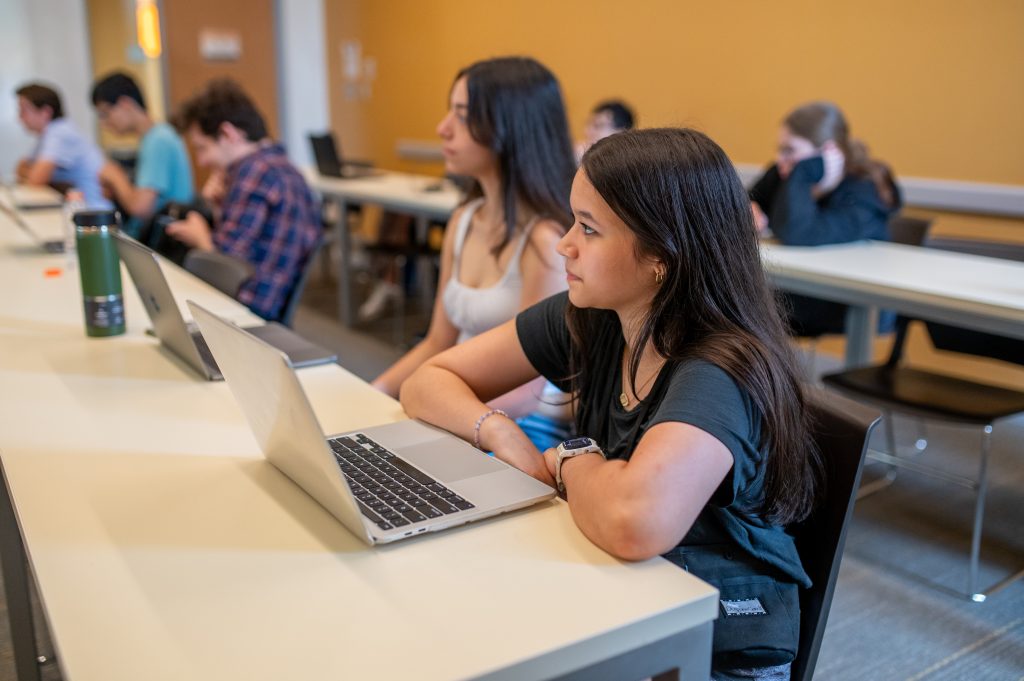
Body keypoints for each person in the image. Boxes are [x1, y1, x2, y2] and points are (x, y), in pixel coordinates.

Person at [401, 128, 822, 680]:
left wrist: (572, 458)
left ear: (660, 258)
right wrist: (499, 430)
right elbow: (428, 380)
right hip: (626, 599)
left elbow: (633, 521)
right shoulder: (595, 315)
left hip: (708, 647)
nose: (564, 245)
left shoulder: (718, 370)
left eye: (589, 230)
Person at [372, 56, 577, 450]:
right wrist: (373, 393)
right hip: (462, 406)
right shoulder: (464, 219)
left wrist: (440, 418)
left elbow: (529, 387)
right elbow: (437, 342)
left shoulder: (546, 241)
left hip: (525, 422)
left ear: (510, 128)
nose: (442, 128)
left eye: (462, 116)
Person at [166, 79, 319, 321]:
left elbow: (225, 265)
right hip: (258, 300)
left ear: (228, 133)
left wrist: (200, 237)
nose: (201, 162)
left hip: (249, 309)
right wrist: (219, 207)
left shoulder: (255, 173)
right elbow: (241, 247)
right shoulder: (276, 167)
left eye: (202, 148)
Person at [749, 101, 901, 336]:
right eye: (779, 150)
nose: (780, 160)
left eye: (789, 150)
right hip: (795, 292)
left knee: (744, 305)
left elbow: (797, 232)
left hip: (848, 304)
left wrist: (805, 172)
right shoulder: (783, 174)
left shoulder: (864, 190)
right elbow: (743, 202)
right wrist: (749, 209)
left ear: (829, 154)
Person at [90, 72, 194, 239]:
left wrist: (116, 178)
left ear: (125, 104)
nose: (104, 123)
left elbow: (141, 208)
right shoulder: (153, 138)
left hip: (159, 241)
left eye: (105, 113)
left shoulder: (158, 140)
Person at [14, 82, 110, 208]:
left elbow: (35, 181)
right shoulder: (48, 134)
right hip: (78, 208)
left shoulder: (59, 133)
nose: (19, 117)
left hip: (93, 211)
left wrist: (33, 174)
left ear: (45, 112)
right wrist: (32, 174)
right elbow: (20, 169)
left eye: (24, 110)